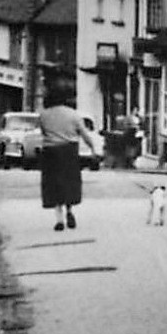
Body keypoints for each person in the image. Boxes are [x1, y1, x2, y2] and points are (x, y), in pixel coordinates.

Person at [38, 82, 97, 231]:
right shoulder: (73, 114)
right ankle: (70, 210)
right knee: (69, 184)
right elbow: (85, 134)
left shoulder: (44, 115)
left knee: (54, 185)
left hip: (50, 152)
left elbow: (43, 132)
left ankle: (59, 218)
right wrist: (92, 148)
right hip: (69, 151)